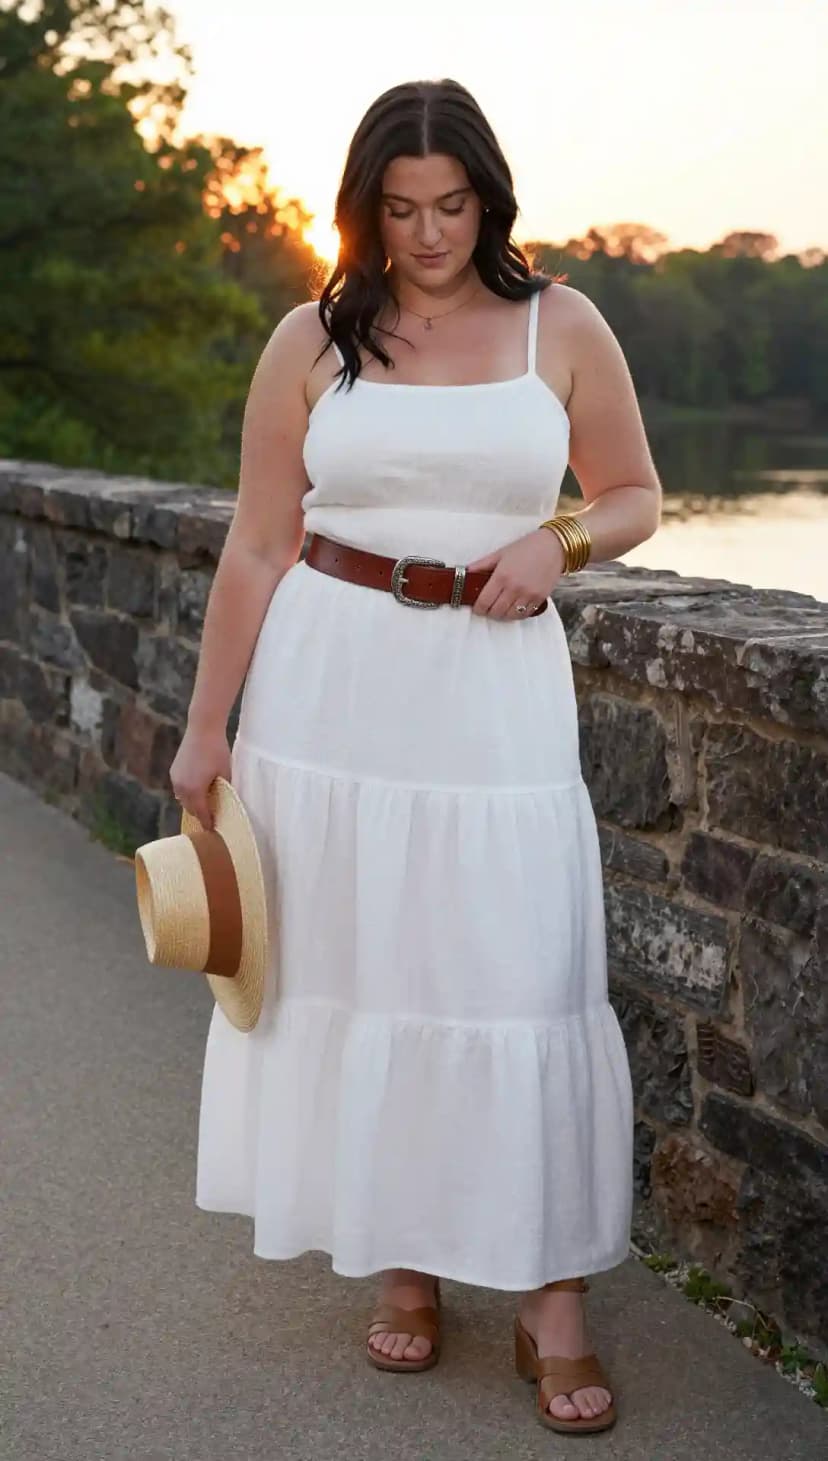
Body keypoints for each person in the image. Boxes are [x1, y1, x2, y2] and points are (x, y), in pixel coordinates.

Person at [170, 77, 662, 1436]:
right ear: (365, 208)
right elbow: (259, 542)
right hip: (332, 690)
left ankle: (551, 1301)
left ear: (488, 200)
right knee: (372, 960)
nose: (429, 233)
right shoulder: (312, 339)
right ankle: (406, 1257)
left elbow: (634, 493)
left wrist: (552, 542)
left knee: (518, 972)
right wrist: (207, 726)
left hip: (495, 687)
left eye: (451, 206)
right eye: (401, 208)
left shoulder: (561, 323)